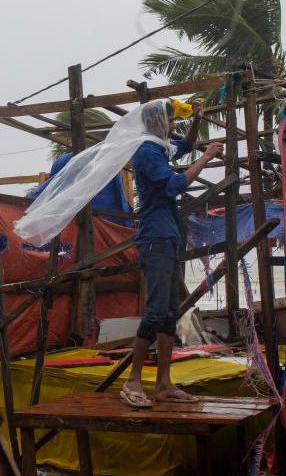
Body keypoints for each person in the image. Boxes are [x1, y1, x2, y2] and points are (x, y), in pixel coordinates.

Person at [120, 98, 224, 407]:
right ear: (155, 122)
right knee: (155, 311)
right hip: (155, 237)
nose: (172, 125)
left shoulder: (160, 148)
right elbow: (178, 184)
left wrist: (196, 121)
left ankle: (164, 383)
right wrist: (206, 156)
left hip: (167, 236)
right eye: (169, 119)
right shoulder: (148, 152)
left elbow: (184, 147)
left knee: (168, 312)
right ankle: (133, 380)